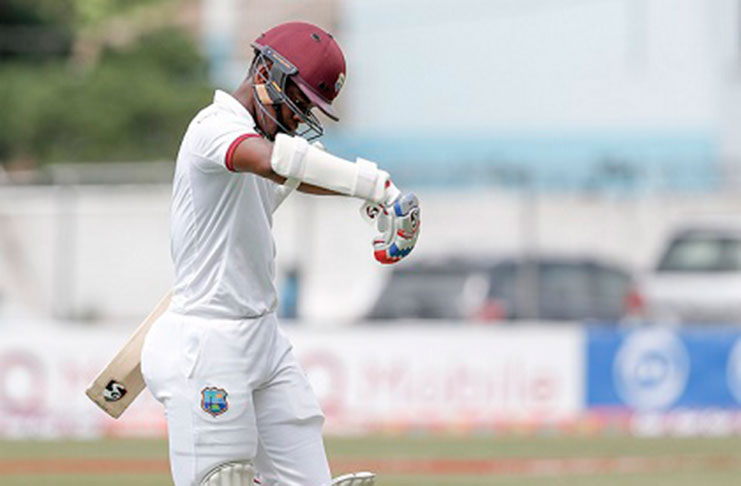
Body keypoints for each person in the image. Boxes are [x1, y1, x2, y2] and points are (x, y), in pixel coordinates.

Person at [140, 21, 420, 486]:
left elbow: (292, 174)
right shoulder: (214, 129)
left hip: (264, 341)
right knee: (221, 479)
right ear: (266, 71)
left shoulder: (265, 147)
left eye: (310, 107)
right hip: (206, 343)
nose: (300, 117)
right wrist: (377, 185)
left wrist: (366, 196)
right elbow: (275, 162)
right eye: (301, 101)